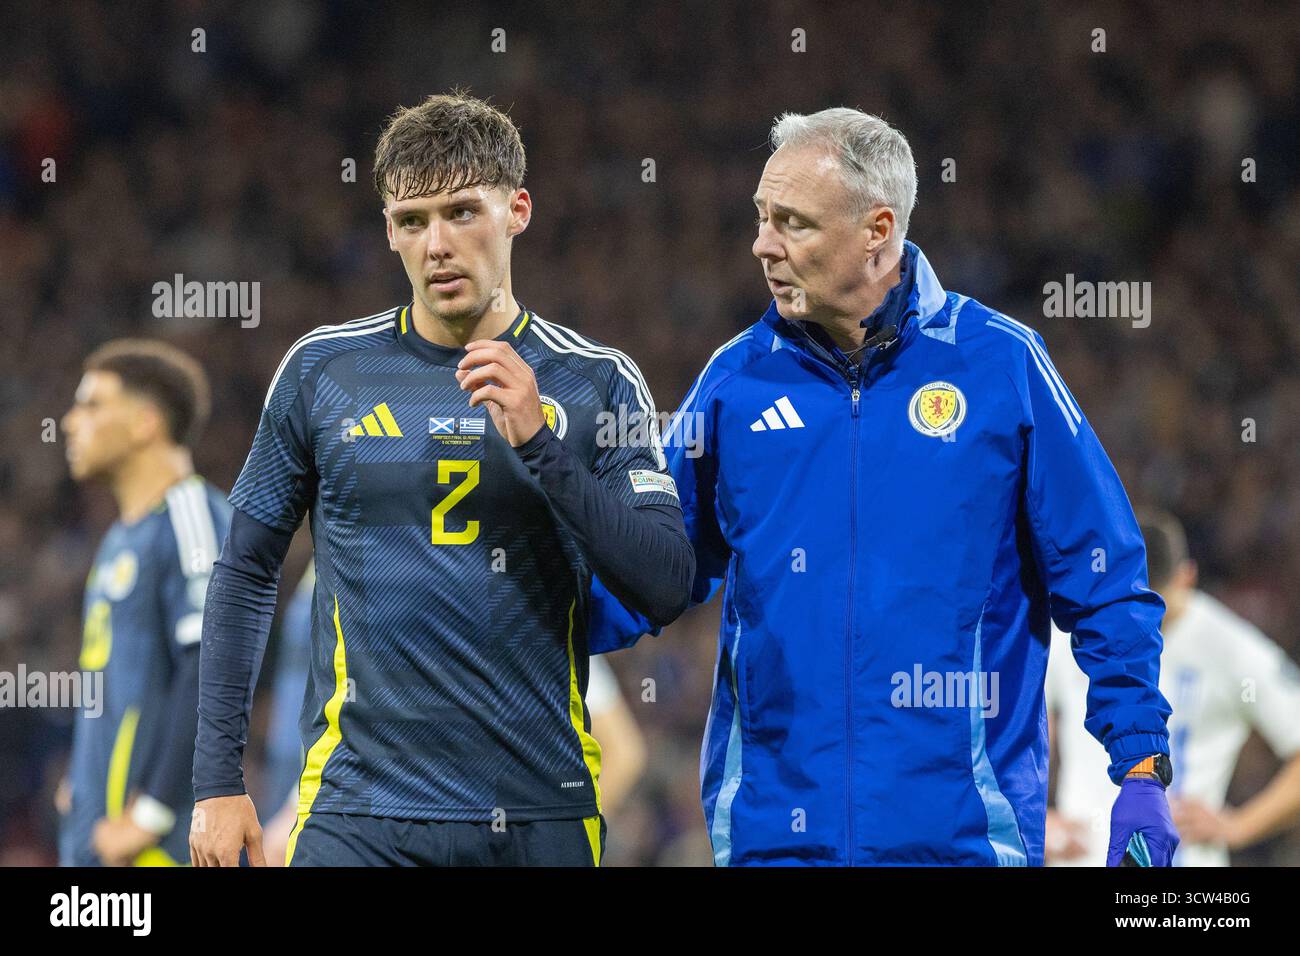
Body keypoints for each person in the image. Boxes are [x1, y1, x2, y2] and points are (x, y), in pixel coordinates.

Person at [593, 107, 1177, 866]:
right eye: (761, 217)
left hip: (964, 843)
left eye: (792, 223)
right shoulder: (733, 384)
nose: (761, 244)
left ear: (878, 230)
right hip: (777, 844)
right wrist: (512, 625)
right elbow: (650, 574)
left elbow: (1105, 580)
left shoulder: (1002, 369)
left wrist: (1139, 769)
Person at [189, 92, 693, 867]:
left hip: (538, 807)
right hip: (358, 810)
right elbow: (246, 571)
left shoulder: (595, 381)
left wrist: (541, 444)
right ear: (389, 231)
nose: (437, 245)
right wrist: (216, 781)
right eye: (413, 221)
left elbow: (663, 583)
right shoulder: (324, 370)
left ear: (518, 209)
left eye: (463, 212)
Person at [259, 566, 650, 865]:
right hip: (320, 817)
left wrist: (552, 840)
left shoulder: (490, 588)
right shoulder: (338, 565)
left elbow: (624, 750)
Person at [58, 339, 230, 866]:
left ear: (144, 424)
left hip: (153, 842)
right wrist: (81, 773)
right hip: (100, 825)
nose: (68, 422)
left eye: (91, 405)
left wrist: (152, 811)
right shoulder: (120, 539)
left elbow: (212, 663)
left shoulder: (191, 516)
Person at [1047, 510, 1300, 865]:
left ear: (1186, 578)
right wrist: (1035, 818)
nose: (1142, 622)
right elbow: (1023, 725)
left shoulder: (1232, 649)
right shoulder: (1075, 631)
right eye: (1130, 603)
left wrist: (1238, 827)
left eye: (1154, 607)